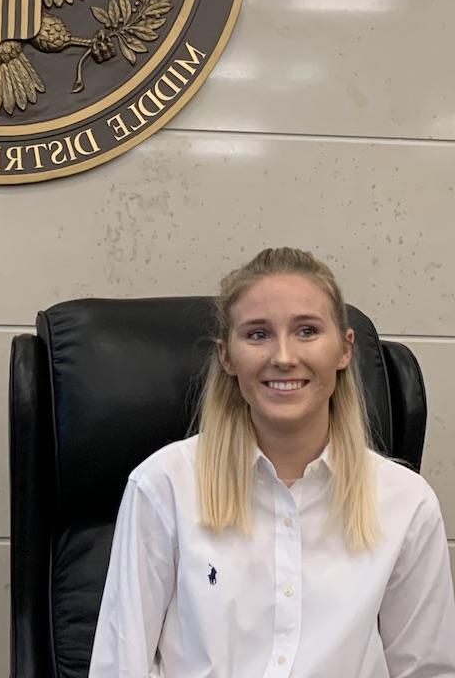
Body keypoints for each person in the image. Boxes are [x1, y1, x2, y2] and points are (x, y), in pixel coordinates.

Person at [88, 248, 455, 678]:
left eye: (307, 330)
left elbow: (425, 670)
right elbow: (120, 666)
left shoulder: (405, 502)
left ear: (344, 349)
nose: (283, 356)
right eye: (258, 335)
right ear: (227, 356)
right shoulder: (164, 484)